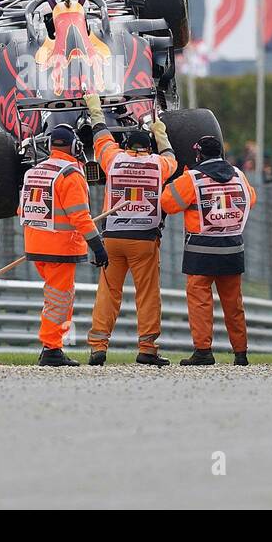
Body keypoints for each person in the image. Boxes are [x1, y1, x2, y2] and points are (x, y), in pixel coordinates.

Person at [83, 94, 178, 366]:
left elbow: (100, 137)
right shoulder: (158, 165)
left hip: (112, 237)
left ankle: (98, 347)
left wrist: (96, 111)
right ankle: (147, 349)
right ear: (148, 149)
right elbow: (171, 157)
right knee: (147, 295)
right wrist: (161, 134)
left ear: (127, 146)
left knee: (108, 293)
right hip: (144, 241)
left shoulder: (114, 159)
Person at [161, 135, 257, 366]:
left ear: (199, 155)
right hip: (233, 247)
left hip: (200, 250)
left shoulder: (192, 178)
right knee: (234, 304)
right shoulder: (239, 175)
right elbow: (251, 199)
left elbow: (167, 203)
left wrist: (181, 179)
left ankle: (203, 351)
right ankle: (240, 352)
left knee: (200, 303)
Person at [20, 123, 109, 367]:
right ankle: (51, 348)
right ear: (76, 147)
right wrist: (97, 245)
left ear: (49, 146)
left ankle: (50, 345)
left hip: (35, 245)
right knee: (60, 300)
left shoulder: (33, 172)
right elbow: (80, 216)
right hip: (60, 248)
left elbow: (22, 209)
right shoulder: (70, 175)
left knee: (54, 298)